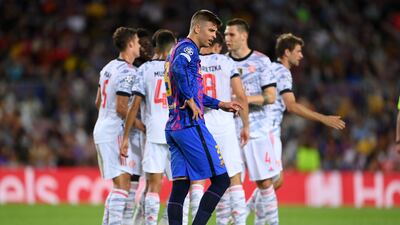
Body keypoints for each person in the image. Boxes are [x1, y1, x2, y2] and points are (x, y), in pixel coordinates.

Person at [246, 33, 346, 222]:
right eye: (298, 51)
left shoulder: (270, 69)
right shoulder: (283, 72)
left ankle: (252, 216)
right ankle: (243, 212)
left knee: (275, 181)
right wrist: (323, 118)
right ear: (286, 52)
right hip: (267, 129)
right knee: (272, 181)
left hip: (262, 126)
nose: (301, 56)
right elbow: (291, 105)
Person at [164, 10, 243, 225]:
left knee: (180, 187)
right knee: (221, 180)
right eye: (211, 30)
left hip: (173, 127)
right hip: (189, 124)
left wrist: (220, 104)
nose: (214, 35)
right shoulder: (188, 49)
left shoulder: (176, 49)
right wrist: (189, 99)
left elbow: (193, 88)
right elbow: (179, 68)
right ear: (197, 28)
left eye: (216, 31)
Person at [120, 29, 177, 225]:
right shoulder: (179, 68)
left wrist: (126, 137)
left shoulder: (144, 70)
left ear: (156, 46)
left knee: (153, 186)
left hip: (153, 134)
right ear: (174, 45)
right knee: (182, 185)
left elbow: (134, 105)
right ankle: (167, 221)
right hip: (177, 134)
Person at [225, 18, 278, 225]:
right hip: (230, 130)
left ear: (244, 36)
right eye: (226, 35)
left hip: (257, 129)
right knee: (232, 183)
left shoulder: (261, 61)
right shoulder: (223, 62)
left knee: (264, 182)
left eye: (231, 34)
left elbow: (270, 96)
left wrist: (243, 100)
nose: (227, 38)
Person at [194, 31, 249, 225]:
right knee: (233, 177)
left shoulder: (194, 62)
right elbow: (241, 96)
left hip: (200, 123)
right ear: (218, 46)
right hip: (225, 125)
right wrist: (245, 126)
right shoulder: (227, 63)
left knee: (198, 179)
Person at [93, 27, 141, 225]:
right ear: (130, 44)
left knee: (121, 185)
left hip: (103, 127)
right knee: (122, 186)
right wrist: (141, 125)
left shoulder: (108, 67)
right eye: (137, 42)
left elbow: (98, 102)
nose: (139, 46)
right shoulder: (128, 72)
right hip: (113, 131)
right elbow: (122, 108)